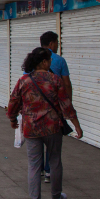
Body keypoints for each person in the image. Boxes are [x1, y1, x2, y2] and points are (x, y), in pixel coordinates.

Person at [7, 47, 83, 199]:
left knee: (34, 165)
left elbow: (13, 102)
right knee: (55, 161)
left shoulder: (24, 81)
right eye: (49, 60)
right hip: (53, 127)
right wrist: (76, 125)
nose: (50, 62)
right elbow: (66, 104)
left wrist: (13, 119)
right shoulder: (55, 80)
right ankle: (56, 197)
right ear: (43, 62)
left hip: (31, 128)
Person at [39, 30, 71, 183]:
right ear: (51, 43)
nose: (57, 46)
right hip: (54, 108)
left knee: (37, 139)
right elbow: (66, 83)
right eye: (57, 43)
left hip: (35, 109)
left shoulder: (33, 59)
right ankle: (49, 171)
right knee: (52, 141)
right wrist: (68, 103)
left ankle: (37, 169)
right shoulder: (59, 60)